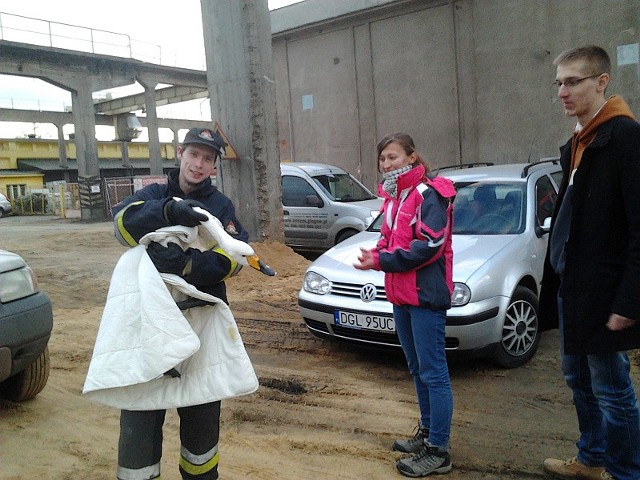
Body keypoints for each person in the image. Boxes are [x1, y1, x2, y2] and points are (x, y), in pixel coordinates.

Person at [111, 127, 249, 480]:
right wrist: (169, 211)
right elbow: (122, 227)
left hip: (201, 326)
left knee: (202, 418)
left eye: (208, 159)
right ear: (180, 153)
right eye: (194, 155)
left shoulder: (221, 207)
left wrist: (189, 265)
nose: (199, 164)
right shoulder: (153, 195)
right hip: (150, 325)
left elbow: (234, 258)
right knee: (140, 415)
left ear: (215, 166)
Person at [539, 45, 640, 480]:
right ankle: (591, 459)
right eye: (558, 83)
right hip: (573, 288)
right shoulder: (580, 142)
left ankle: (625, 472)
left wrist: (629, 301)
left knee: (613, 391)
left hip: (605, 294)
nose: (562, 91)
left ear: (602, 82)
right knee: (578, 381)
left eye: (572, 81)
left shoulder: (625, 140)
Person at [354, 133, 456, 477]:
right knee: (417, 370)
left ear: (412, 158)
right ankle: (427, 433)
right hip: (401, 296)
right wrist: (377, 252)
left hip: (425, 297)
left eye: (393, 157)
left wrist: (381, 260)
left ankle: (438, 450)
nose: (387, 164)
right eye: (383, 159)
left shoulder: (430, 194)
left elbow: (430, 245)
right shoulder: (395, 198)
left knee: (434, 373)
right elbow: (387, 238)